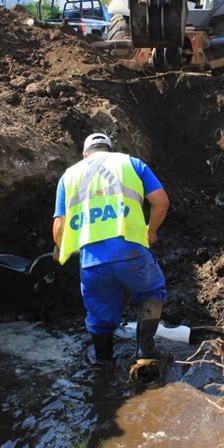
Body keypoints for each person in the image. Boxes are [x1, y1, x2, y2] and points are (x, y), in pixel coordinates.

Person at [52, 132, 170, 365]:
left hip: (92, 262)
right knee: (151, 291)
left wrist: (60, 249)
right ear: (110, 149)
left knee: (99, 316)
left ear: (85, 154)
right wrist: (151, 229)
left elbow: (58, 226)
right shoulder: (130, 163)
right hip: (131, 252)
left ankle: (103, 364)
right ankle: (145, 354)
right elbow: (161, 202)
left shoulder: (68, 176)